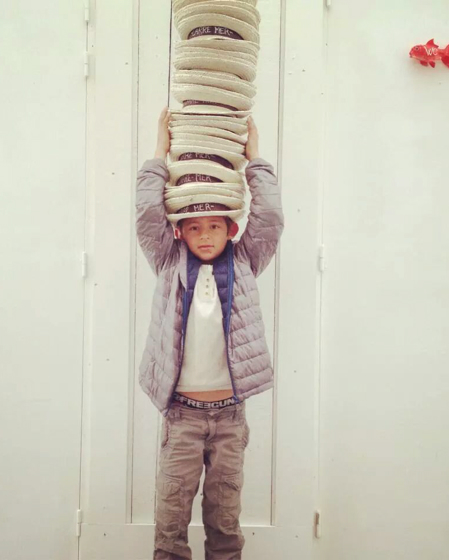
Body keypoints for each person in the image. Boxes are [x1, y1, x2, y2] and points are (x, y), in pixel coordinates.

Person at [135, 106, 284, 560]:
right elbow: (147, 213)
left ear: (230, 229)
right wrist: (159, 152)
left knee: (224, 520)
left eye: (214, 226)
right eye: (194, 227)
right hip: (182, 416)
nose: (204, 235)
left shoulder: (245, 261)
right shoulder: (168, 261)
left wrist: (254, 159)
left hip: (229, 417)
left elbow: (270, 217)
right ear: (179, 232)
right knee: (170, 520)